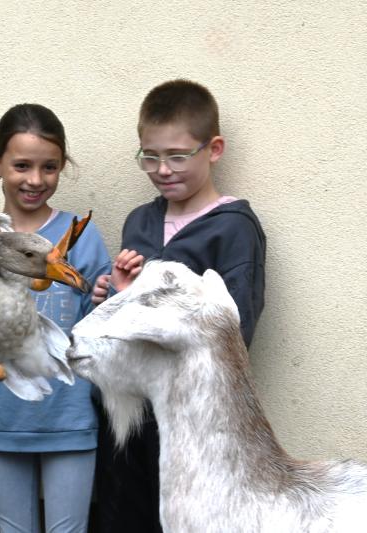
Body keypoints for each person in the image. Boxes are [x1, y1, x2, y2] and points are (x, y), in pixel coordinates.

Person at [91, 79, 267, 532]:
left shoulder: (234, 231)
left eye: (177, 156)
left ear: (214, 149)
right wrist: (116, 296)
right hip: (127, 418)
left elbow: (233, 333)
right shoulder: (140, 221)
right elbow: (127, 324)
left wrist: (143, 308)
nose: (162, 169)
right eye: (150, 156)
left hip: (193, 426)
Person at [0, 103, 112, 533]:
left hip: (69, 417)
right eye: (22, 165)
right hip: (2, 417)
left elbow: (101, 325)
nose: (35, 180)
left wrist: (107, 298)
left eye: (49, 167)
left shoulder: (81, 233)